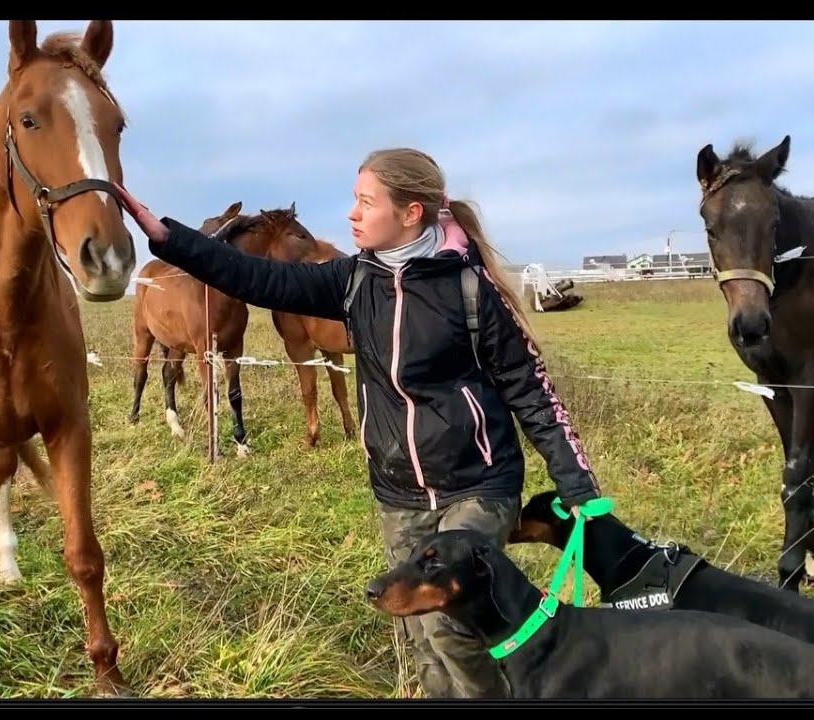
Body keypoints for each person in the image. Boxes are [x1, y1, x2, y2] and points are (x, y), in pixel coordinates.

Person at [112, 147, 603, 698]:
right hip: (398, 492)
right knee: (419, 632)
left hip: (477, 486)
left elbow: (531, 391)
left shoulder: (471, 291)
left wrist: (578, 486)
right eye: (354, 200)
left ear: (410, 213)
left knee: (450, 624)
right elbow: (255, 277)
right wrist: (167, 236)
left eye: (365, 202)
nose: (351, 215)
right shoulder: (352, 281)